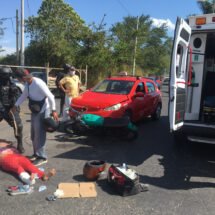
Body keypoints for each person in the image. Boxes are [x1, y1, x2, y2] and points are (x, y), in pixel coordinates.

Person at [12, 68, 59, 166]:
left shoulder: (38, 83)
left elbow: (51, 96)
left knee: (39, 134)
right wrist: (16, 105)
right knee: (34, 134)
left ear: (23, 77)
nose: (18, 80)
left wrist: (53, 110)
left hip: (43, 110)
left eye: (18, 78)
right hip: (35, 110)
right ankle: (36, 153)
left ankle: (42, 157)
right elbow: (24, 95)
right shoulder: (27, 84)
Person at [0, 66, 24, 153]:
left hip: (10, 110)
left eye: (7, 75)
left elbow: (18, 99)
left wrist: (14, 106)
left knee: (19, 126)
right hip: (1, 109)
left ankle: (20, 144)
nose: (5, 77)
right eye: (3, 75)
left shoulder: (14, 86)